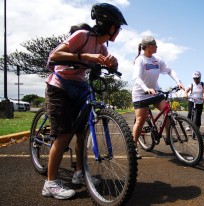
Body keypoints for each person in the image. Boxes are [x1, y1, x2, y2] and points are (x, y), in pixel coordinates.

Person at [42, 3, 127, 200]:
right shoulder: (82, 36)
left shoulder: (103, 47)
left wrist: (113, 62)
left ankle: (80, 173)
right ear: (111, 27)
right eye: (118, 27)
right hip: (59, 86)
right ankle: (51, 183)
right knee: (63, 135)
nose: (119, 31)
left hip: (79, 86)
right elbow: (54, 55)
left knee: (82, 133)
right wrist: (86, 56)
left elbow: (111, 63)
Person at [132, 36, 185, 159]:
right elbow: (137, 78)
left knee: (166, 110)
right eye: (155, 45)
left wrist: (178, 81)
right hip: (141, 94)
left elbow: (170, 71)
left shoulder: (157, 60)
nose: (157, 47)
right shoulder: (140, 60)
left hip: (155, 92)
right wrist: (146, 89)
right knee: (140, 120)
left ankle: (168, 137)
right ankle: (133, 147)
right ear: (149, 46)